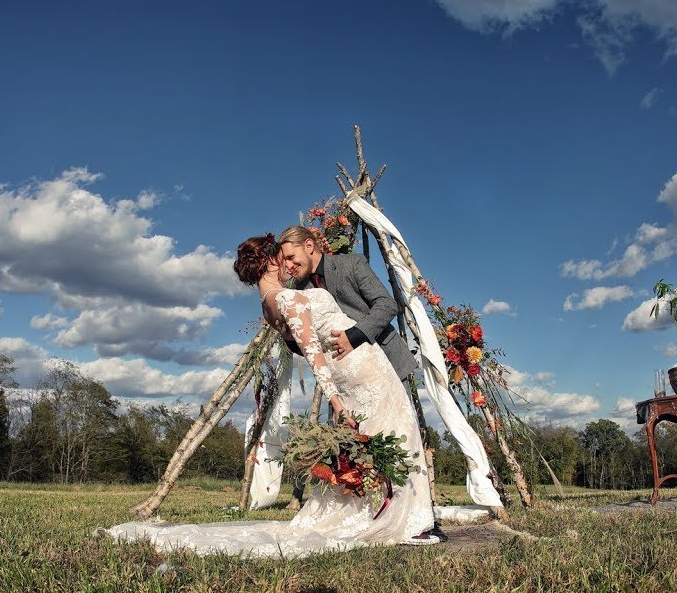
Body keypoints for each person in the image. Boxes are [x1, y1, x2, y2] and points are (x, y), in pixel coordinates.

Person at [95, 234, 439, 557]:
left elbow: (312, 346)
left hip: (355, 369)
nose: (288, 264)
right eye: (282, 257)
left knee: (381, 436)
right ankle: (402, 518)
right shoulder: (287, 297)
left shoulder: (268, 305)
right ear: (270, 261)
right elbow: (312, 352)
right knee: (395, 433)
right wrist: (334, 401)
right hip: (361, 371)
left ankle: (389, 512)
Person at [277, 224, 415, 381]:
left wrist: (353, 335)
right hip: (345, 377)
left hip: (387, 362)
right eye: (284, 261)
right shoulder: (297, 292)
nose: (288, 267)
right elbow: (309, 346)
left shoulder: (352, 264)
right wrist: (288, 336)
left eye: (290, 257)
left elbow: (386, 304)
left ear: (309, 246)